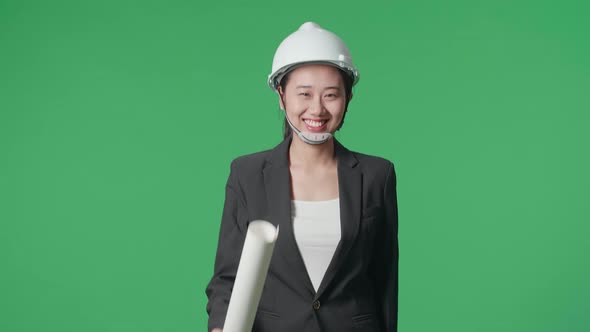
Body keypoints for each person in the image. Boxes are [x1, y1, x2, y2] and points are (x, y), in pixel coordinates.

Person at [205, 22, 398, 332]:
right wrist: (219, 326)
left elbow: (384, 280)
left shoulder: (378, 175)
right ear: (282, 96)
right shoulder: (248, 174)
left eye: (331, 95)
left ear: (348, 97)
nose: (317, 109)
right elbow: (228, 277)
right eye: (304, 94)